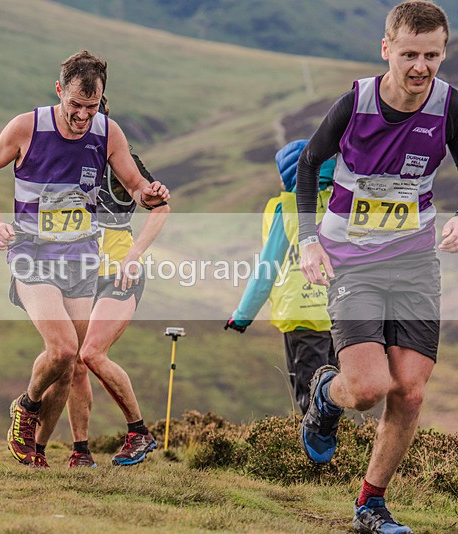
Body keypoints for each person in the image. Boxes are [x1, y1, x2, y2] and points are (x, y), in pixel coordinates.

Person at [295, 3, 458, 531]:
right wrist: (307, 242)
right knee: (366, 390)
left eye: (432, 55)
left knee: (409, 390)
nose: (421, 67)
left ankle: (371, 505)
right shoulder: (356, 102)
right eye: (410, 53)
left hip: (413, 262)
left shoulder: (449, 104)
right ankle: (325, 393)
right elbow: (308, 164)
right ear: (386, 49)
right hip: (352, 262)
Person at [0, 50, 170, 467]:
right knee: (63, 348)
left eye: (91, 106)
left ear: (101, 99)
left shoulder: (107, 131)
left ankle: (36, 453)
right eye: (75, 106)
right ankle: (26, 408)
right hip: (32, 253)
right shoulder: (27, 126)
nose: (82, 116)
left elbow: (135, 185)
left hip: (81, 257)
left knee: (70, 366)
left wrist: (148, 194)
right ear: (59, 91)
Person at [64, 96, 170, 468]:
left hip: (118, 273)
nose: (85, 123)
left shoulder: (122, 160)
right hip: (78, 275)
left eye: (94, 117)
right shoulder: (63, 155)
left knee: (91, 353)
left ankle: (138, 432)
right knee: (75, 363)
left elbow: (160, 209)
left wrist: (134, 255)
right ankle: (80, 452)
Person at [225, 140, 337, 414]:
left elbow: (267, 268)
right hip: (342, 314)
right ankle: (341, 446)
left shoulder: (285, 208)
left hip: (301, 316)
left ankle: (314, 452)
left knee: (309, 396)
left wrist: (242, 315)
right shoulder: (341, 203)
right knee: (338, 390)